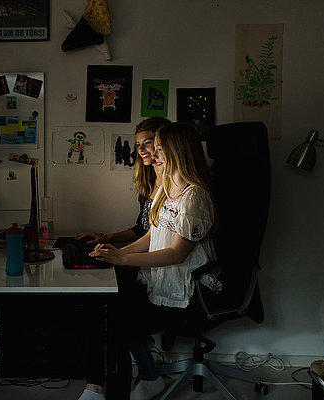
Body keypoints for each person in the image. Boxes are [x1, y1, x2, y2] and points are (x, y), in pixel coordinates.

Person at [78, 122, 220, 400]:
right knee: (107, 309)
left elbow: (178, 253)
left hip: (189, 292)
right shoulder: (163, 192)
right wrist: (115, 252)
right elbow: (151, 237)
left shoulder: (195, 197)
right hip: (159, 282)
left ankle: (117, 384)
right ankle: (129, 380)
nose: (152, 156)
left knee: (117, 319)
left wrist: (124, 258)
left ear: (177, 152)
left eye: (159, 150)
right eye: (153, 149)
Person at [76, 116, 171, 245]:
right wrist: (106, 238)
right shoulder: (147, 184)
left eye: (147, 142)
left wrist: (122, 256)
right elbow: (141, 230)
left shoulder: (176, 186)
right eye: (138, 144)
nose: (140, 149)